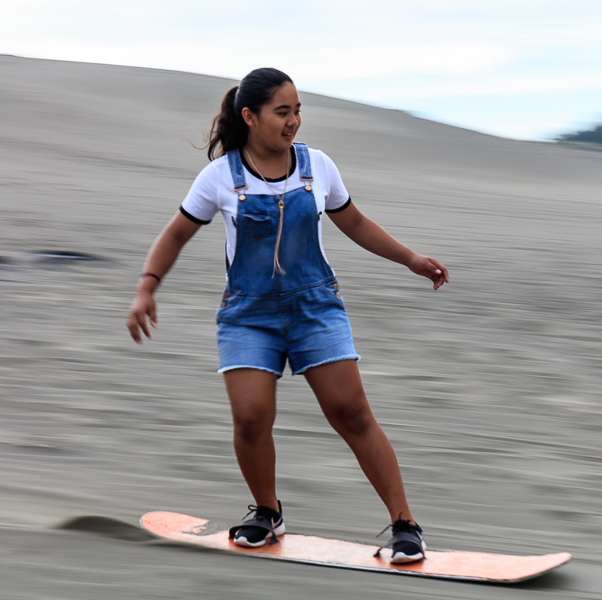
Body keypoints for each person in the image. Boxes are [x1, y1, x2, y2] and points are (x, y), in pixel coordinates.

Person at [126, 67, 448, 563]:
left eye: (298, 110)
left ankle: (405, 525)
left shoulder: (316, 166)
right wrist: (147, 288)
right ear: (250, 117)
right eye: (283, 111)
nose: (294, 120)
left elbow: (354, 221)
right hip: (248, 316)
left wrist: (410, 258)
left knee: (353, 414)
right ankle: (267, 513)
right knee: (251, 418)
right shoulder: (219, 177)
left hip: (315, 309)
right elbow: (175, 233)